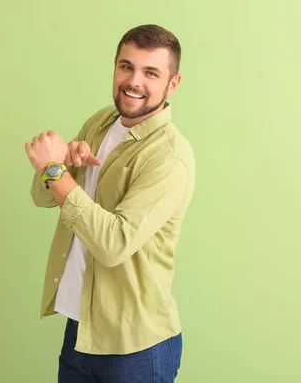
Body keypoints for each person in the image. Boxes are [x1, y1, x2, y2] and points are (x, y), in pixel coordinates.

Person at [24, 24, 195, 382]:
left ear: (172, 84)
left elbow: (114, 244)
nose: (134, 81)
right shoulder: (101, 122)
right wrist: (66, 163)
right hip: (81, 330)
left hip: (135, 347)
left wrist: (56, 171)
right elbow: (43, 196)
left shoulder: (169, 157)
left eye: (151, 73)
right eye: (126, 66)